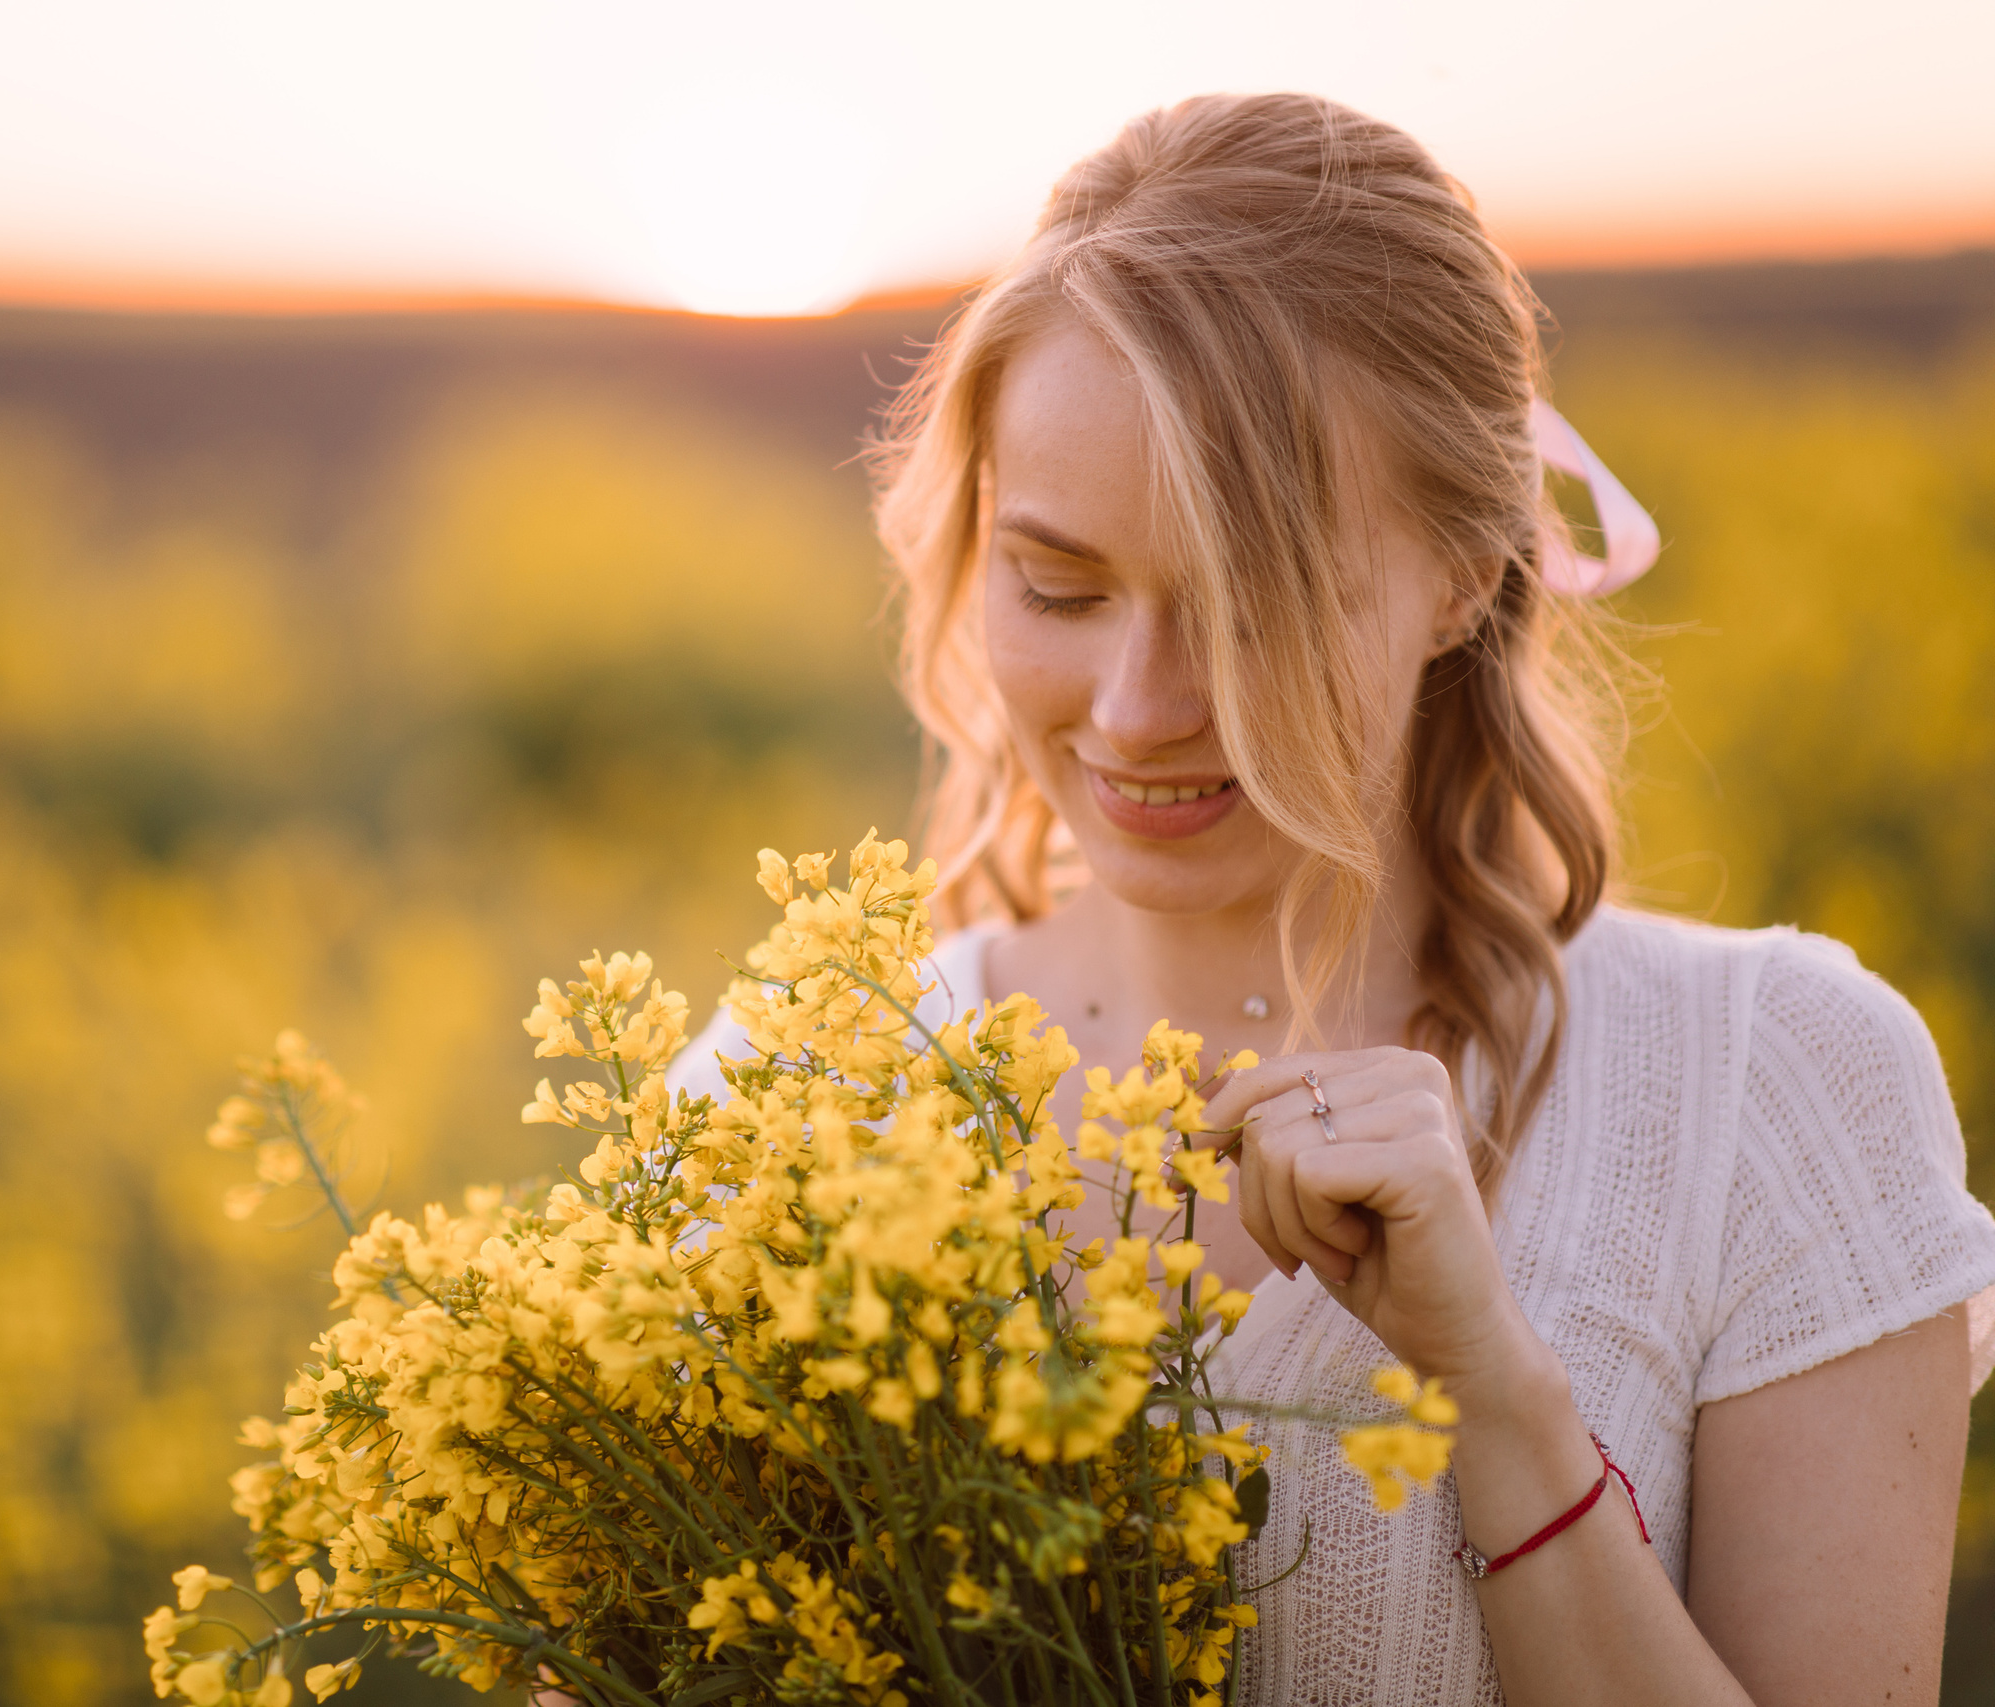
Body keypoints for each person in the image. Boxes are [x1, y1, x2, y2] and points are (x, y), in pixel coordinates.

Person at [669, 93, 1995, 1705]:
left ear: (1467, 570)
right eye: (1058, 587)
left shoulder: (1774, 1096)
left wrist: (1492, 1391)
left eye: (1252, 606)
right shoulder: (782, 1106)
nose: (1138, 708)